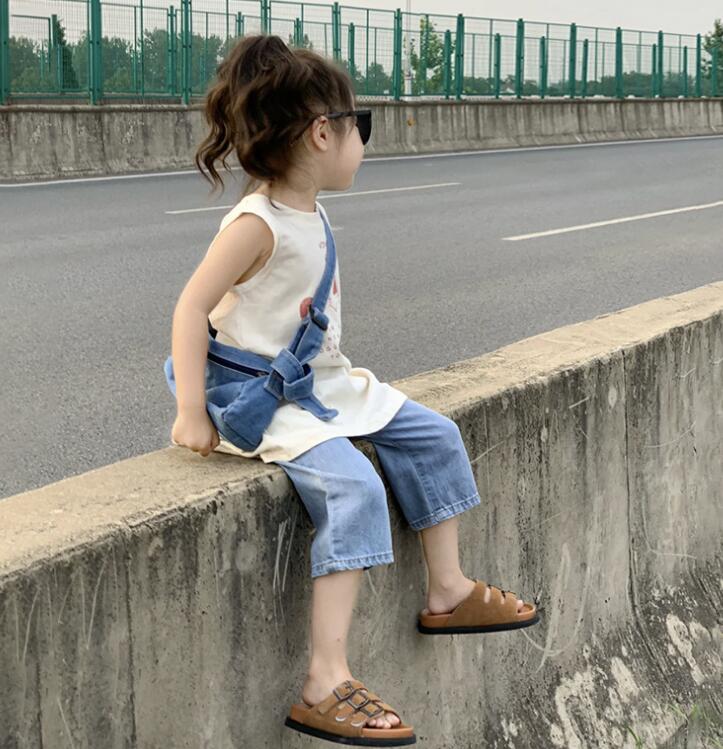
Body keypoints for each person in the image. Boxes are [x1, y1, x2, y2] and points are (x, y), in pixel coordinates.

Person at [167, 33, 539, 747]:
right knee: (356, 489)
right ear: (321, 132)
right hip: (266, 398)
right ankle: (324, 676)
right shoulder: (256, 225)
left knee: (435, 434)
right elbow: (189, 309)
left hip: (324, 385)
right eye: (357, 125)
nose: (362, 141)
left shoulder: (307, 210)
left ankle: (447, 589)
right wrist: (191, 411)